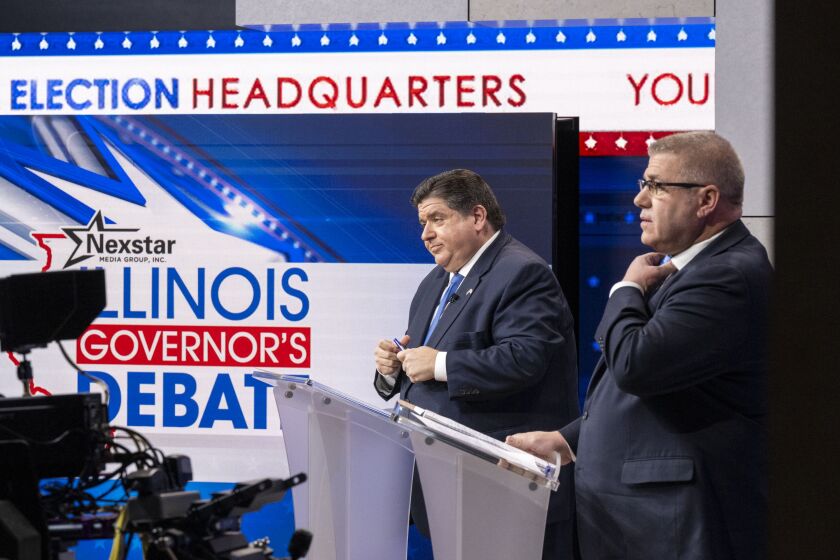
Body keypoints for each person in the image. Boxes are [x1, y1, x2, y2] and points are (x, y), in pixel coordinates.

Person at [507, 131, 772, 560]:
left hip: (674, 524)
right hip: (642, 521)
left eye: (656, 186)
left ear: (706, 200)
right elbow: (667, 393)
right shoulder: (693, 269)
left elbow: (635, 365)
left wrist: (625, 289)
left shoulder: (727, 276)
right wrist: (567, 440)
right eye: (642, 184)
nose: (639, 200)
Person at [374, 169, 579, 559]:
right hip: (451, 484)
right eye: (422, 223)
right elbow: (423, 363)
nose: (426, 234)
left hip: (504, 486)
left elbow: (525, 358)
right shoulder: (436, 281)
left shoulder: (523, 273)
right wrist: (392, 369)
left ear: (478, 217)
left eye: (437, 219)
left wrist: (440, 364)